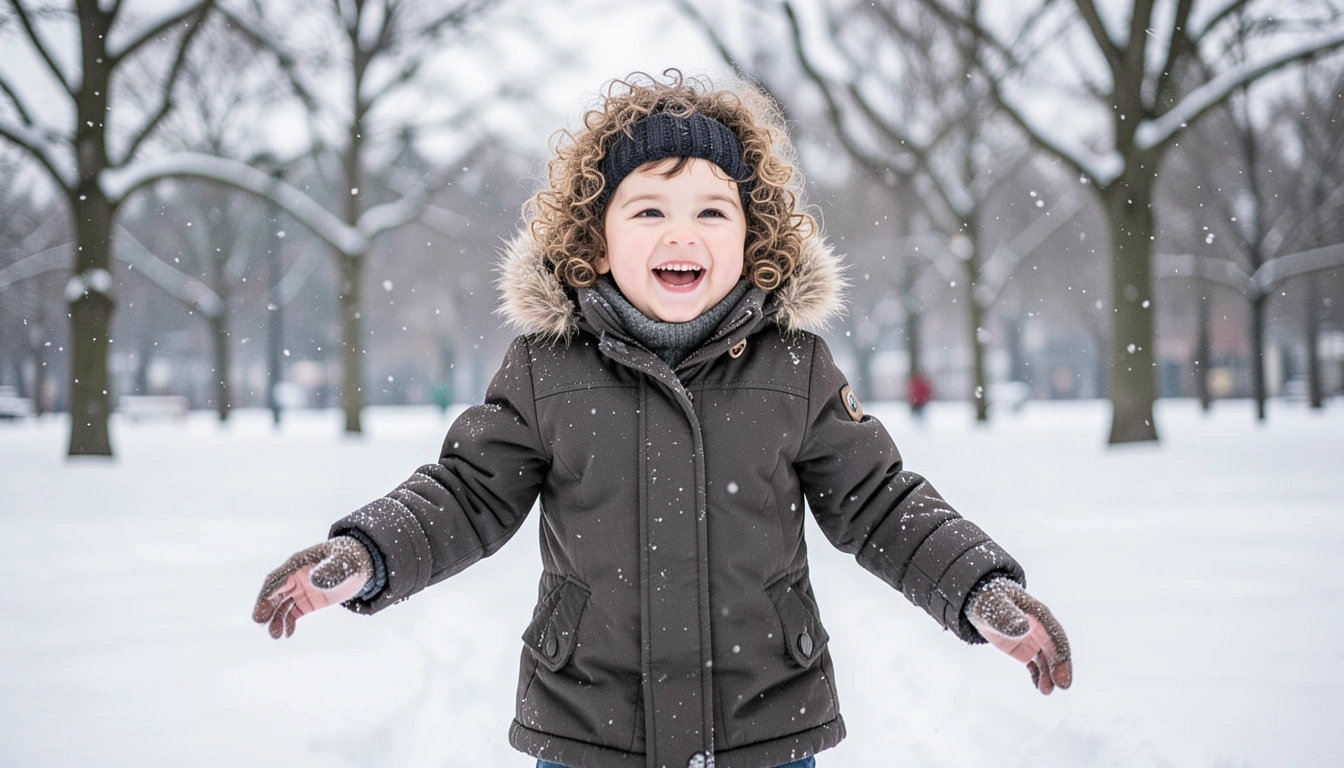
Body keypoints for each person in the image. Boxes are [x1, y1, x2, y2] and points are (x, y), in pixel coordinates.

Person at [253, 70, 1072, 768]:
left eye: (713, 212)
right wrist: (364, 553)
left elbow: (881, 502)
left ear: (753, 241)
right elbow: (467, 494)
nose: (682, 230)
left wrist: (977, 587)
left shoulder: (796, 368)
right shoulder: (547, 369)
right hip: (588, 729)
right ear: (596, 241)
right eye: (648, 211)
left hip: (766, 723)